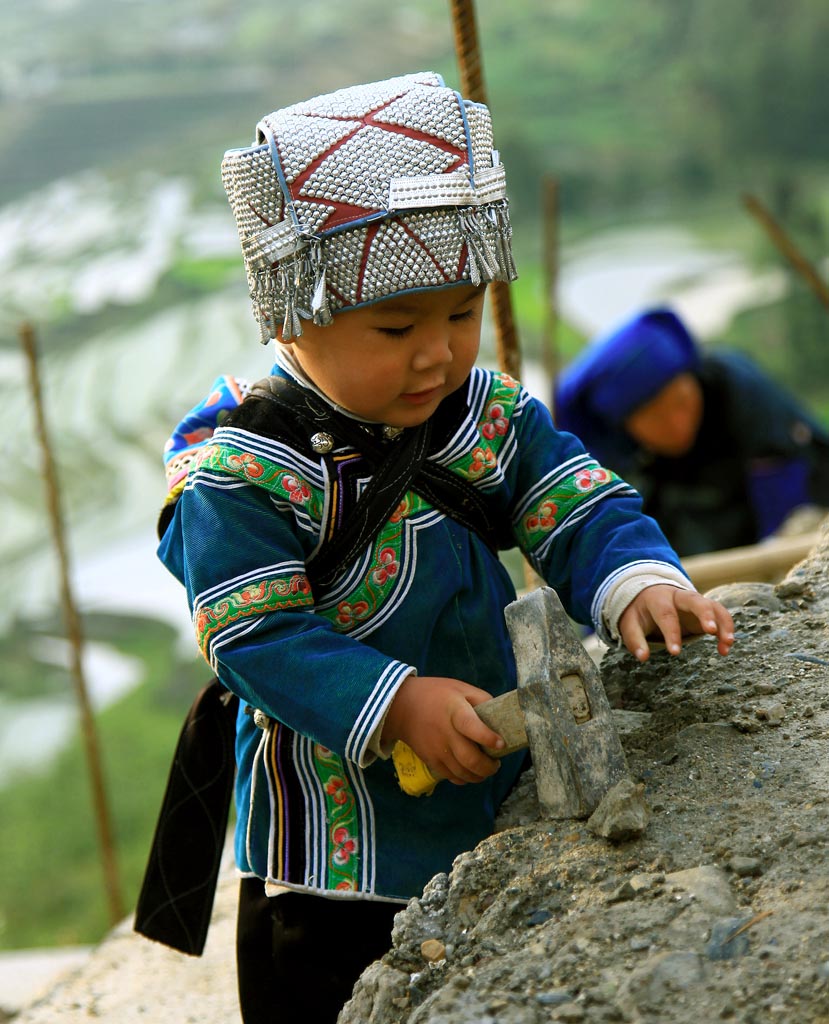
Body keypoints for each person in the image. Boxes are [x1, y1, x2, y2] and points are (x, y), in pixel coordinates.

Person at [155, 73, 734, 1023]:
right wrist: (395, 703)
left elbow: (571, 499)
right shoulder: (240, 477)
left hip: (497, 798)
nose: (438, 354)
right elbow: (252, 635)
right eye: (396, 328)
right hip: (339, 870)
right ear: (290, 312)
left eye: (461, 315)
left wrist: (634, 581)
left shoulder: (483, 413)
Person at [553, 308, 829, 556]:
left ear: (692, 379)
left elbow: (787, 475)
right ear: (627, 427)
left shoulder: (735, 389)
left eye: (682, 402)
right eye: (655, 418)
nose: (677, 423)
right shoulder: (625, 467)